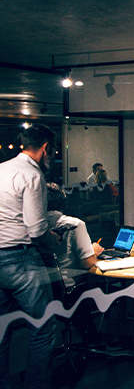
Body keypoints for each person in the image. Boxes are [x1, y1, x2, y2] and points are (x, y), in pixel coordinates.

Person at [0, 123, 60, 389]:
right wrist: (53, 239)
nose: (54, 156)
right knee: (44, 327)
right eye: (54, 151)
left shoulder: (2, 169)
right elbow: (36, 230)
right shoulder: (32, 175)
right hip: (20, 258)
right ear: (46, 148)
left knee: (2, 332)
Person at [46, 182, 105, 343]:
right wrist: (94, 250)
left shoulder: (36, 226)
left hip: (45, 291)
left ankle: (86, 332)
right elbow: (87, 263)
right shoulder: (74, 224)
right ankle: (92, 336)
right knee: (103, 283)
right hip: (70, 290)